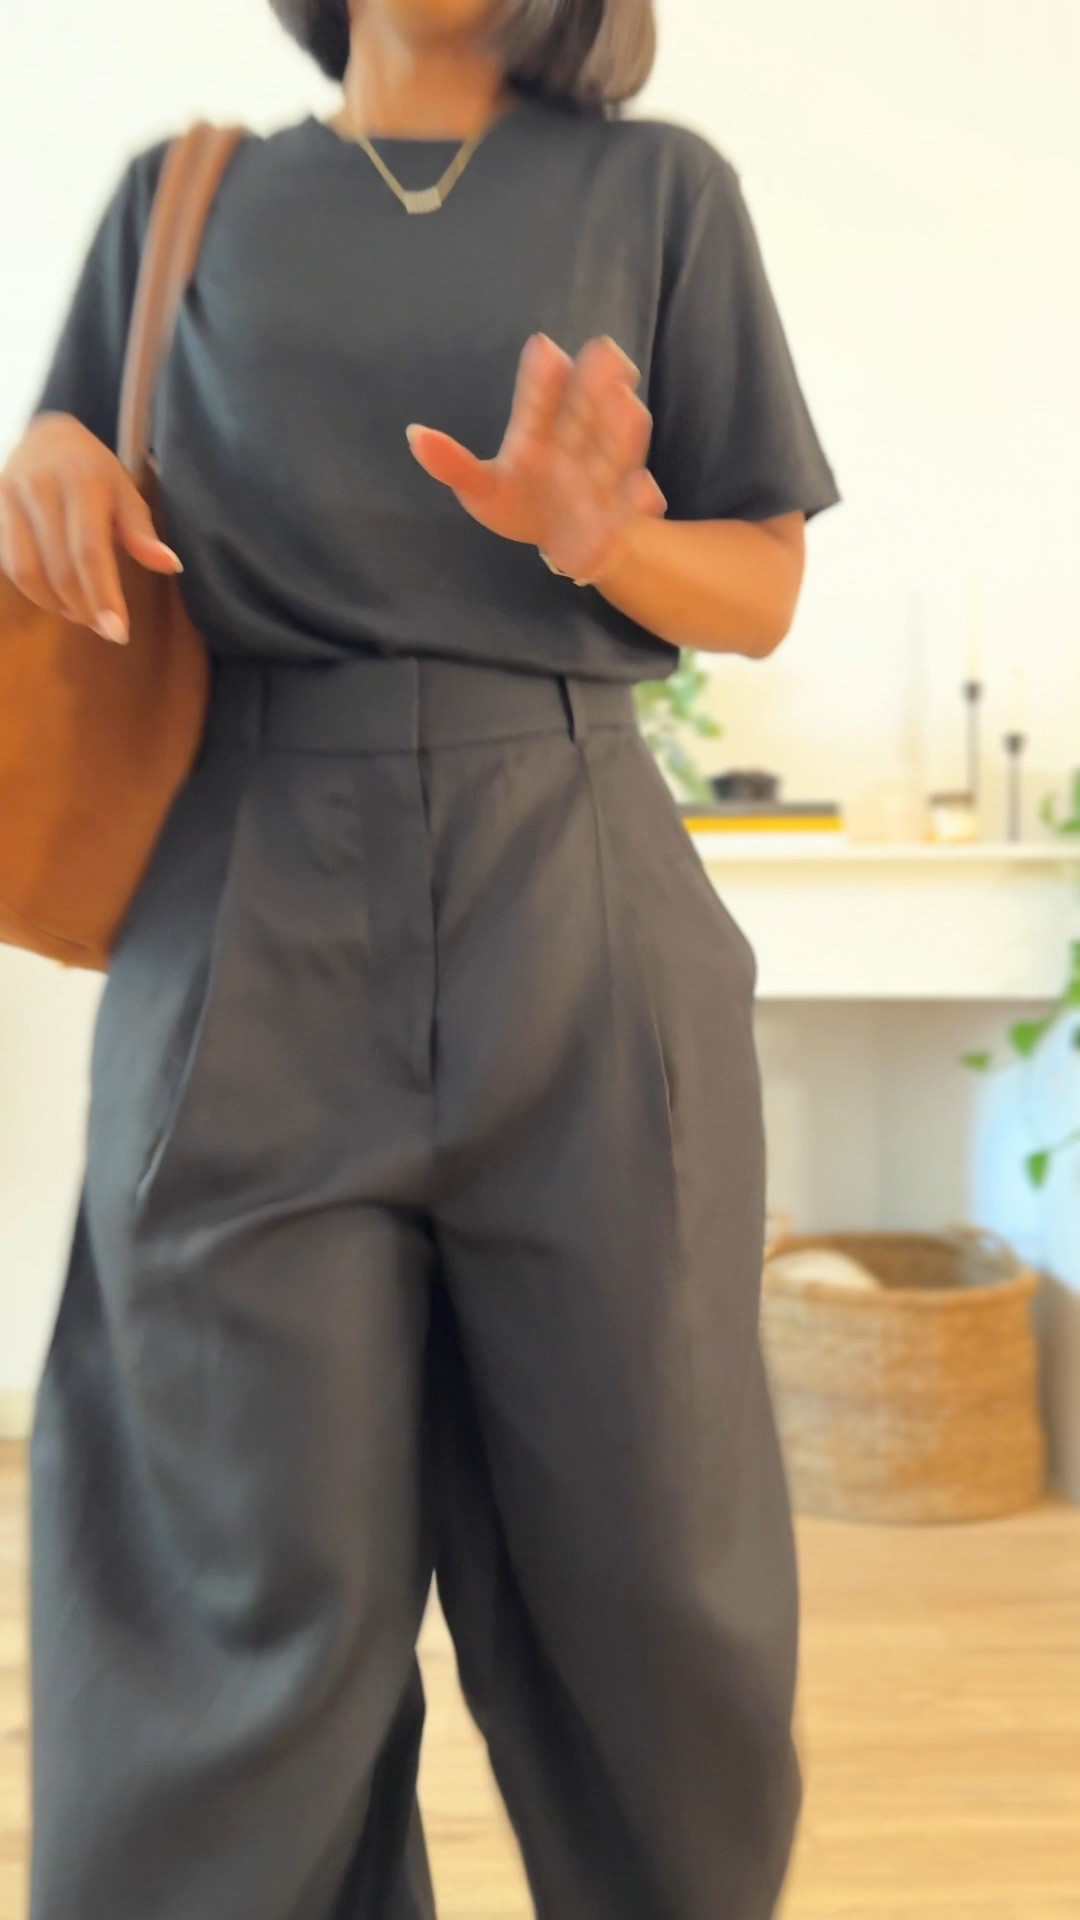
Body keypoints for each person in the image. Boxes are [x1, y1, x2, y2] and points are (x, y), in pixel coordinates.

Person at [0, 2, 840, 1915]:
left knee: (655, 1581)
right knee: (233, 1591)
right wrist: (44, 462)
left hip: (579, 883)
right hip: (246, 899)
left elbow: (766, 580)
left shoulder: (660, 190)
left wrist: (605, 539)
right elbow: (73, 490)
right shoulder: (184, 203)